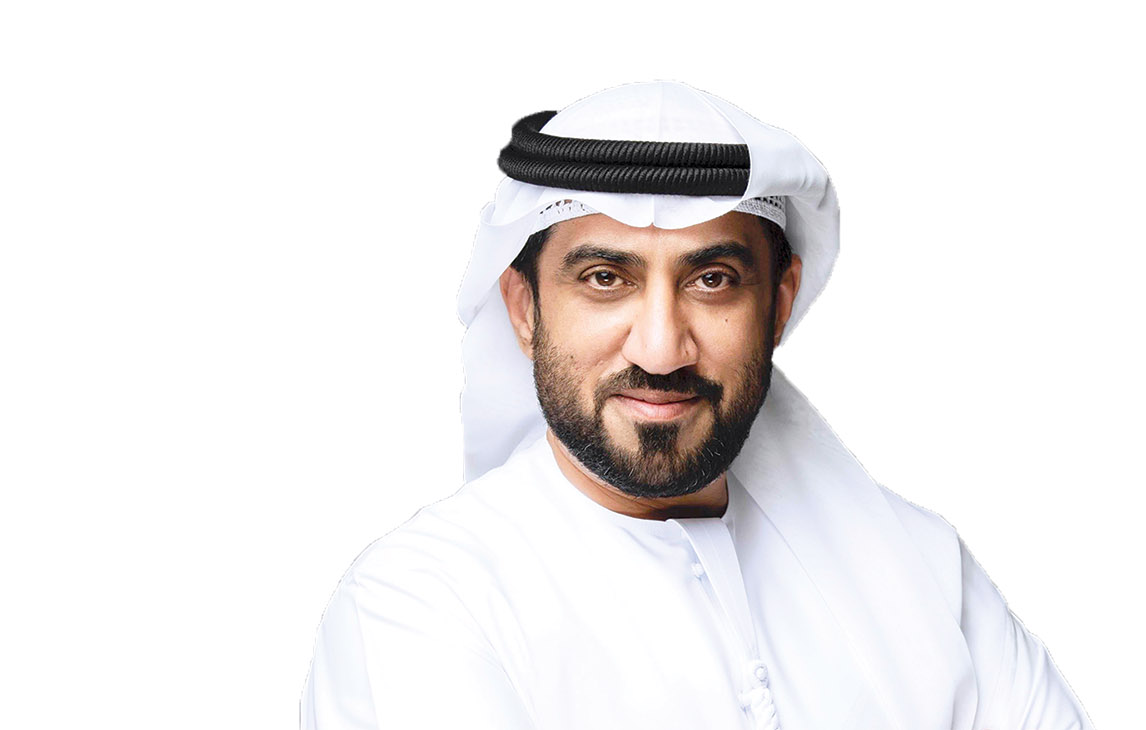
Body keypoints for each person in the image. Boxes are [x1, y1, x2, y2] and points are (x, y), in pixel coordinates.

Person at [300, 81, 1094, 730]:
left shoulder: (926, 573)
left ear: (778, 302)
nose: (660, 349)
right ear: (524, 309)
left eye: (712, 280)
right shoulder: (423, 603)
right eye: (605, 279)